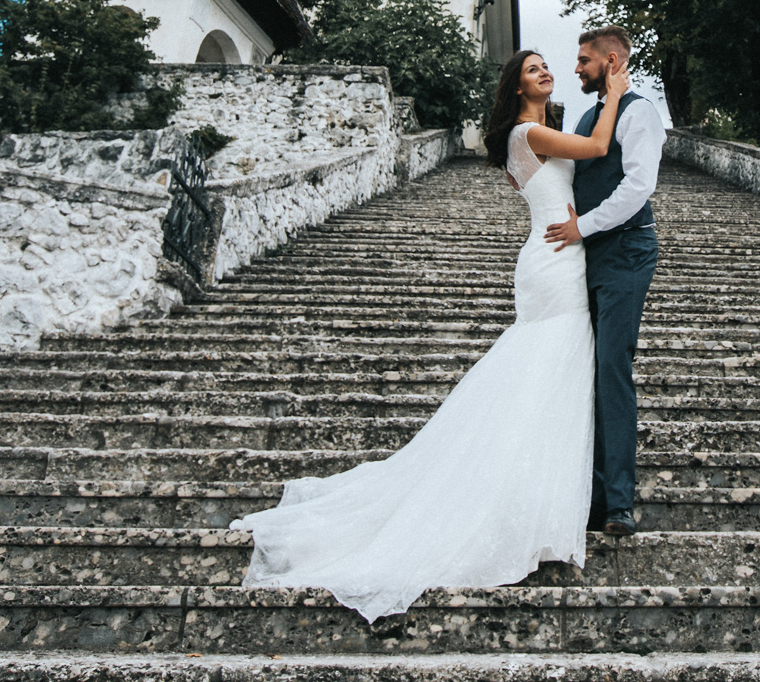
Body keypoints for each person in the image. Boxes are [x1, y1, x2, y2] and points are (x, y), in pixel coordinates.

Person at [228, 47, 630, 622]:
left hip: (561, 255)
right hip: (553, 261)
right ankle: (521, 504)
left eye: (546, 67)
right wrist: (614, 91)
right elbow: (595, 148)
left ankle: (535, 500)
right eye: (533, 69)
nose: (545, 73)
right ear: (517, 88)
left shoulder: (540, 132)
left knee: (549, 373)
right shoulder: (526, 133)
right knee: (547, 366)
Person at [542, 25, 664, 539]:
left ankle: (617, 502)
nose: (576, 69)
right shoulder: (593, 116)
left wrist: (580, 227)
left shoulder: (640, 112)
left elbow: (638, 186)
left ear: (611, 61)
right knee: (583, 371)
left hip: (626, 252)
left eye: (584, 61)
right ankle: (588, 495)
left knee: (612, 366)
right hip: (586, 257)